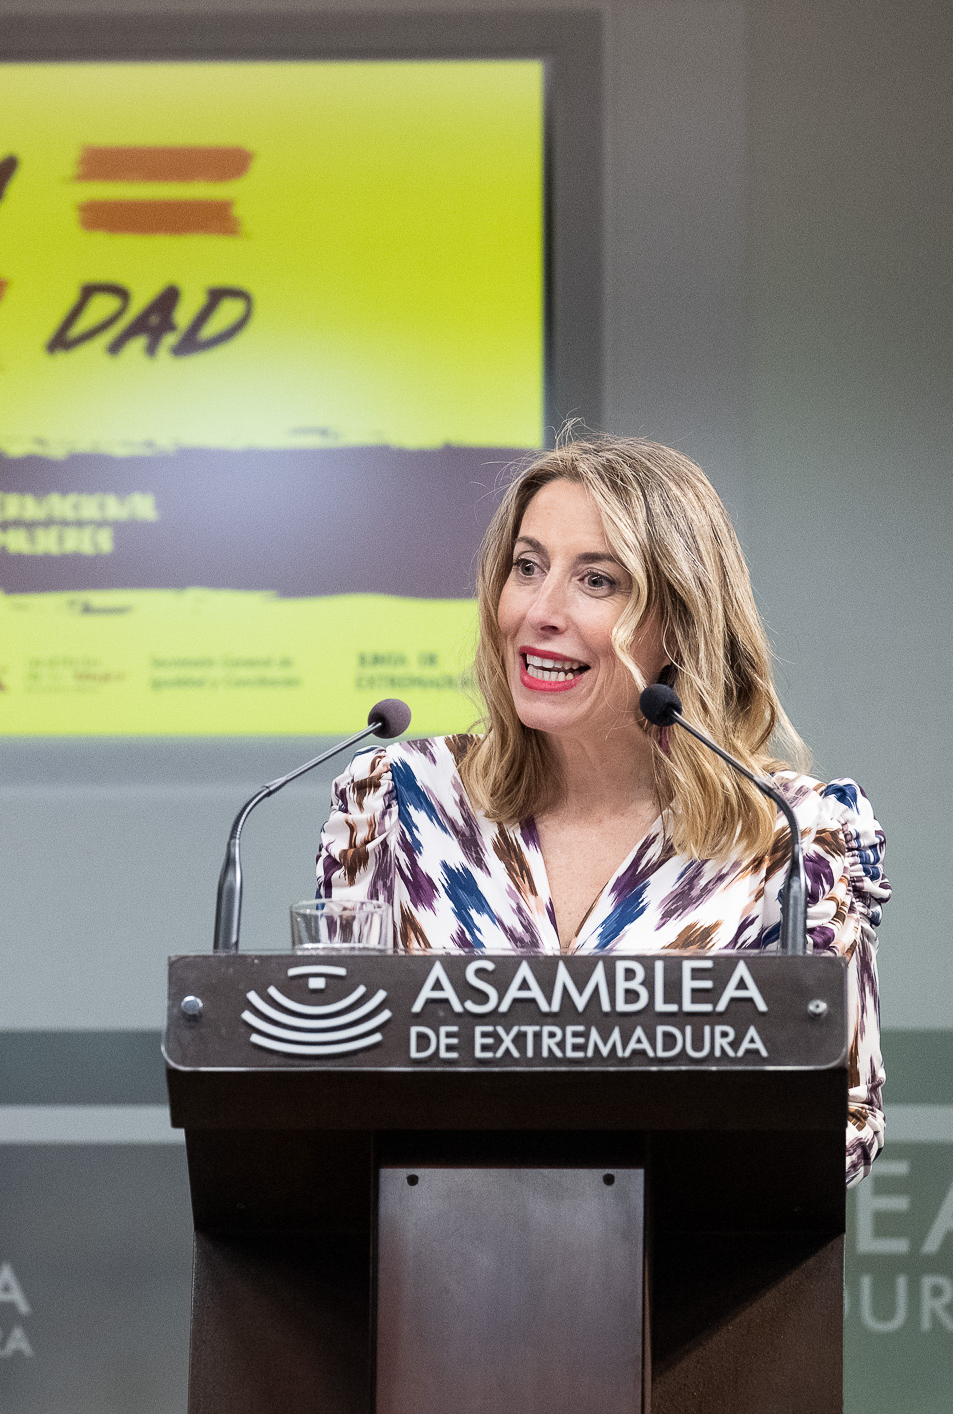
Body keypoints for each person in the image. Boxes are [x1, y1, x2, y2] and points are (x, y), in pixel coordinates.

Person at [315, 434, 889, 1184]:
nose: (540, 611)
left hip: (684, 1285)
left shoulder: (791, 838)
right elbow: (326, 1072)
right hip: (435, 1276)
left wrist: (625, 1193)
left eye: (596, 581)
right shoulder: (397, 801)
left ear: (678, 622)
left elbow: (843, 1116)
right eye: (526, 568)